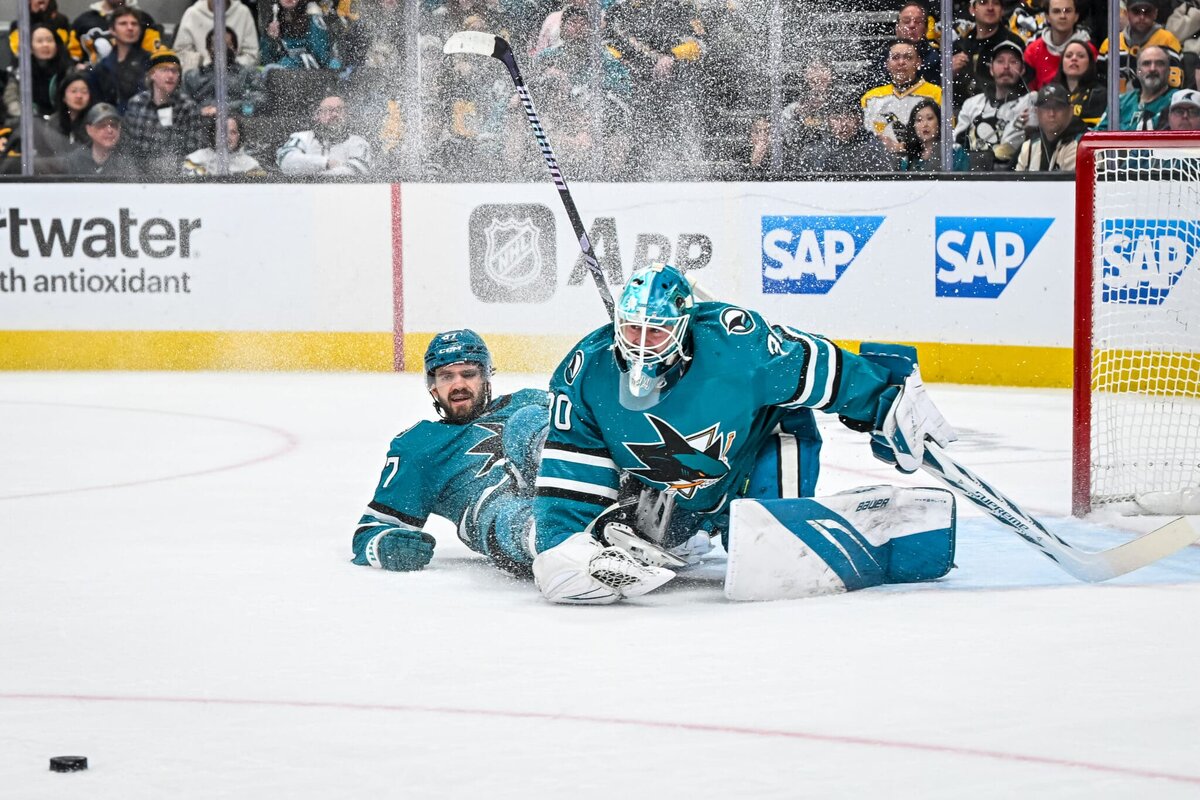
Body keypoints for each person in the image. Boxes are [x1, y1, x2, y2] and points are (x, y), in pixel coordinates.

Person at [529, 263, 957, 604]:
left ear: (682, 325)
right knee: (621, 530)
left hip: (758, 452)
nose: (641, 343)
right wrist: (562, 548)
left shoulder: (736, 346)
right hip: (675, 492)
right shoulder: (586, 371)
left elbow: (819, 367)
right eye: (632, 328)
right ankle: (683, 531)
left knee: (771, 554)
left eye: (655, 330)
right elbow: (572, 476)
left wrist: (883, 401)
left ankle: (807, 521)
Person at [351, 330, 550, 575]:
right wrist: (385, 545)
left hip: (564, 478)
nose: (458, 385)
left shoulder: (529, 401)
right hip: (499, 512)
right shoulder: (419, 446)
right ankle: (556, 541)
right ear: (433, 387)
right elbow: (371, 530)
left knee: (528, 420)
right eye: (446, 377)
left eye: (468, 374)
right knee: (500, 509)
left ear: (486, 377)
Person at [122, 48, 204, 176]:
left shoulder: (187, 107)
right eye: (164, 70)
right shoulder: (136, 104)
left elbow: (193, 150)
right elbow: (126, 146)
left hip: (175, 177)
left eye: (175, 71)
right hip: (138, 176)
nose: (171, 75)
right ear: (152, 74)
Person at [955, 39, 1030, 166]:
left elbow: (1007, 150)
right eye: (1000, 61)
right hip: (969, 172)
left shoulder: (1028, 103)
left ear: (1022, 69)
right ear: (991, 69)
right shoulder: (972, 103)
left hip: (1011, 173)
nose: (1006, 67)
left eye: (1013, 62)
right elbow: (956, 145)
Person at [862, 39, 944, 151]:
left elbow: (946, 136)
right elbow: (866, 139)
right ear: (887, 64)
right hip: (881, 159)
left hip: (924, 158)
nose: (901, 62)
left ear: (918, 62)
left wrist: (905, 148)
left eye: (908, 57)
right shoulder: (870, 98)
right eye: (895, 58)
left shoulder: (936, 94)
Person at [1098, 0, 1184, 92]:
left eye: (1147, 12)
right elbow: (1100, 83)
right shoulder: (1110, 43)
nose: (1142, 17)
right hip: (1117, 100)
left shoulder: (1168, 41)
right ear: (1127, 13)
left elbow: (1175, 86)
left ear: (1155, 14)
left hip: (1158, 100)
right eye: (1136, 11)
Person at [277, 93, 371, 176]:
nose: (334, 114)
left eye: (339, 110)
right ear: (318, 115)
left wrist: (318, 176)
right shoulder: (302, 138)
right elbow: (285, 161)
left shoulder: (357, 143)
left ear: (346, 115)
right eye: (328, 110)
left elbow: (357, 170)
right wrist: (326, 163)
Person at [952, 0, 1027, 102]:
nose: (990, 8)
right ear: (972, 9)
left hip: (1001, 106)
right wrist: (950, 72)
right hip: (962, 107)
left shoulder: (1013, 44)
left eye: (996, 3)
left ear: (1002, 10)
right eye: (983, 2)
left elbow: (1020, 86)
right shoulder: (960, 45)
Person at [3, 23, 74, 124]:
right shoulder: (20, 71)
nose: (45, 45)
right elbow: (11, 99)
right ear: (30, 47)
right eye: (40, 41)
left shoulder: (68, 70)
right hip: (28, 121)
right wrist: (26, 117)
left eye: (49, 40)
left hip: (61, 121)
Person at [86, 6, 150, 114]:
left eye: (134, 24)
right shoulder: (102, 67)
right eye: (123, 23)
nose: (130, 28)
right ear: (112, 30)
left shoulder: (150, 61)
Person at [1100, 45, 1178, 129]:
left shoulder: (1177, 101)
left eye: (1159, 64)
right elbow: (1099, 133)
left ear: (1168, 71)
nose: (1152, 69)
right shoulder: (1120, 102)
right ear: (1138, 71)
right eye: (1146, 64)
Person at [1022, 0, 1095, 90]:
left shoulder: (1089, 50)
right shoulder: (1033, 51)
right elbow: (1028, 91)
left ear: (1076, 16)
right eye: (1056, 11)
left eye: (1067, 11)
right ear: (1047, 17)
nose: (1062, 16)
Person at [172, 0, 258, 74]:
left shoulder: (243, 13)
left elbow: (252, 55)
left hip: (236, 76)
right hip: (200, 77)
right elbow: (180, 54)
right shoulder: (192, 14)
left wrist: (231, 65)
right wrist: (205, 64)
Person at [869, 1, 942, 87]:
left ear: (925, 29)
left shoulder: (935, 58)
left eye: (918, 22)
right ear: (897, 28)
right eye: (906, 21)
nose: (912, 25)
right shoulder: (883, 56)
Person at [1015, 82, 1085, 170]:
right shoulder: (1029, 147)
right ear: (1037, 112)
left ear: (1071, 111)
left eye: (1058, 107)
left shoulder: (1082, 145)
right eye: (1046, 107)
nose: (1051, 114)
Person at [65, 101, 138, 175]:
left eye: (113, 125)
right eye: (102, 125)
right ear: (89, 129)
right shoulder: (74, 161)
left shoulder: (128, 162)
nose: (109, 130)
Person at [897, 98, 970, 171]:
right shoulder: (907, 160)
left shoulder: (956, 153)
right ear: (913, 126)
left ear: (939, 122)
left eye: (929, 118)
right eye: (919, 120)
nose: (924, 124)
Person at [182, 113, 265, 175]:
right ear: (213, 134)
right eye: (222, 132)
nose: (227, 137)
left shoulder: (251, 165)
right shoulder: (195, 160)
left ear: (240, 136)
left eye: (233, 132)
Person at [1054, 39, 1106, 128]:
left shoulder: (1099, 94)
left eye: (1081, 56)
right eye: (1068, 56)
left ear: (1090, 63)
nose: (1074, 59)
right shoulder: (1052, 94)